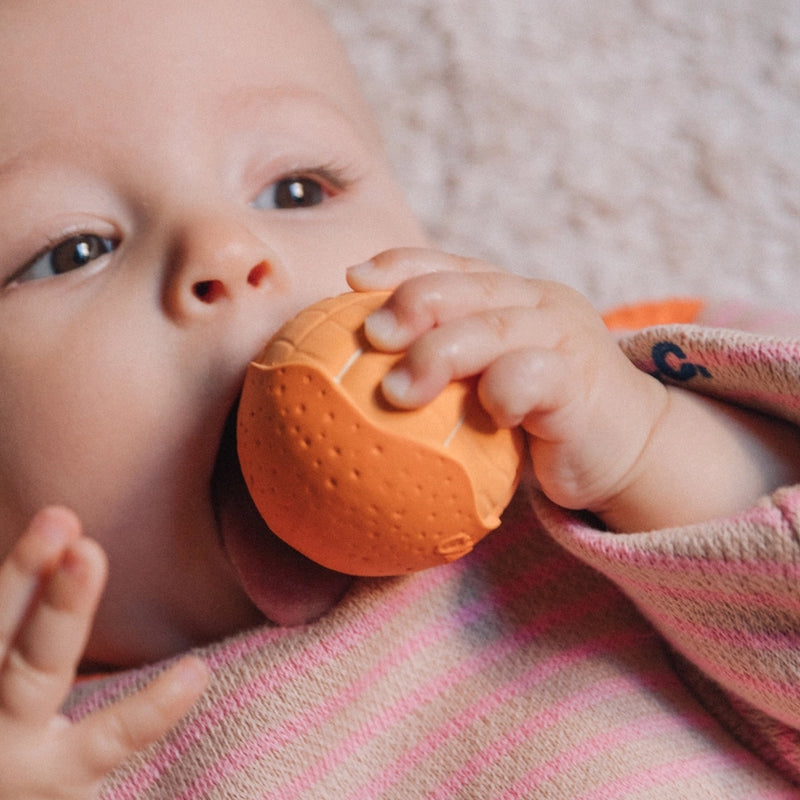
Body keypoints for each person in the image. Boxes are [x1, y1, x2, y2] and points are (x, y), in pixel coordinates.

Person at [2, 0, 800, 797]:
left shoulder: (609, 409)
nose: (228, 250)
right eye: (74, 250)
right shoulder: (43, 752)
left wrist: (652, 449)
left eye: (295, 189)